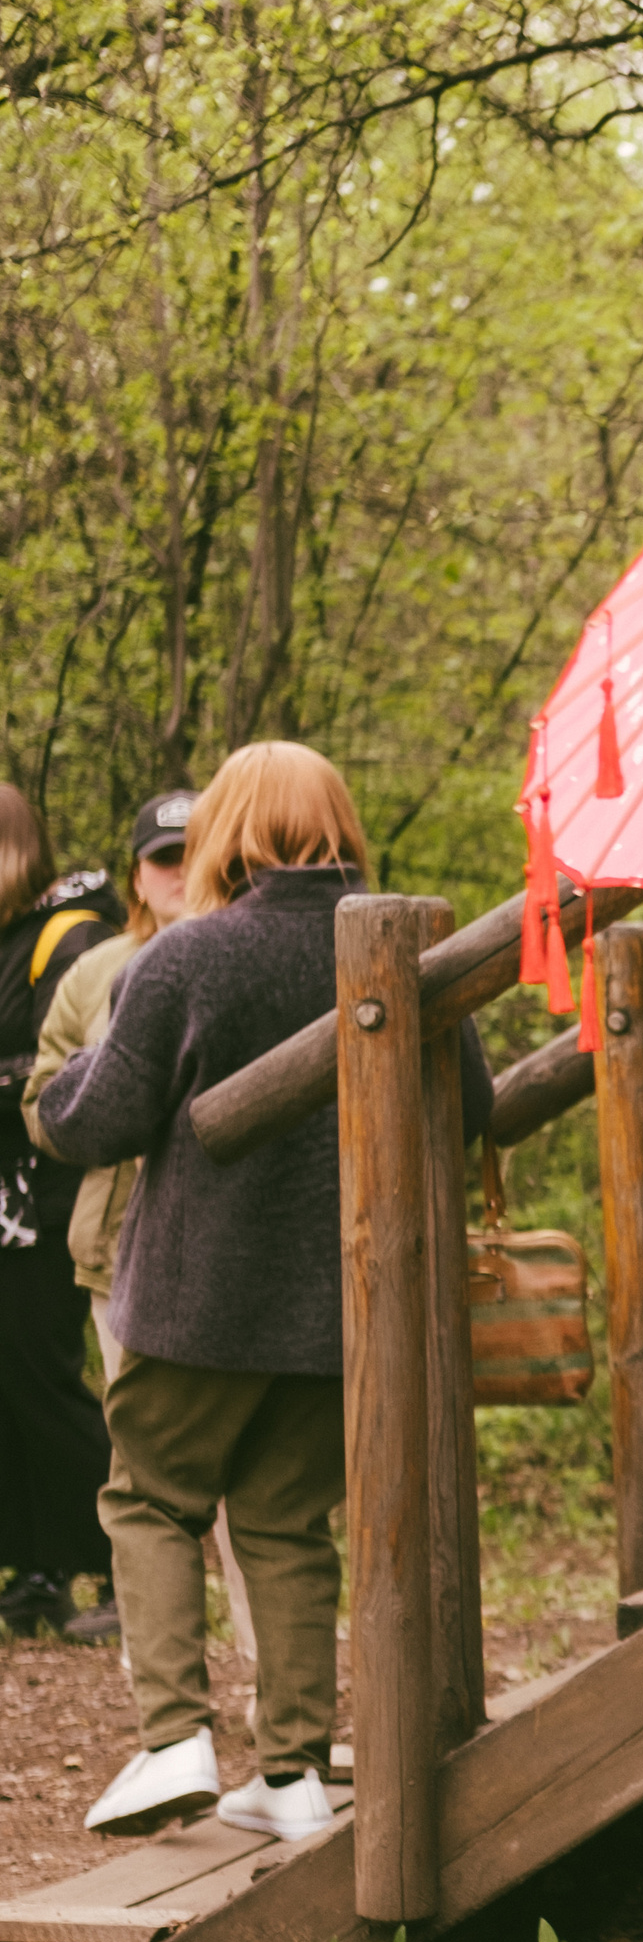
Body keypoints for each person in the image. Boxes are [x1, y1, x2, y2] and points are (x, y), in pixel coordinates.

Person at [39, 741, 493, 1840]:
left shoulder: (189, 958)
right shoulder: (411, 941)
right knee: (288, 1528)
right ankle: (290, 1772)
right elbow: (471, 1103)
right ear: (337, 826)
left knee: (148, 1502)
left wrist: (45, 1099)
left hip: (193, 1303)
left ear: (227, 832)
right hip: (337, 1310)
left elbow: (93, 1121)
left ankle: (174, 1741)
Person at [22, 792, 216, 1652]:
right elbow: (47, 1102)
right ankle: (159, 1653)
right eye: (162, 858)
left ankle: (257, 1665)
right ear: (137, 873)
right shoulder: (95, 972)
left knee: (246, 1472)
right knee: (140, 1451)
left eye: (191, 854)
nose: (176, 873)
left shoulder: (242, 953)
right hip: (118, 1240)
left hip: (229, 1242)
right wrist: (112, 1089)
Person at [0, 785, 121, 1638]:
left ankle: (118, 1556)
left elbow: (69, 1069)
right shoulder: (9, 937)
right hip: (4, 1202)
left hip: (45, 1198)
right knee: (9, 1385)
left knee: (45, 1379)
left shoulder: (67, 937)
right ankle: (38, 1567)